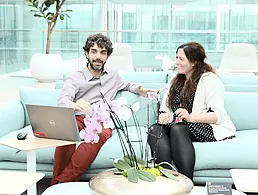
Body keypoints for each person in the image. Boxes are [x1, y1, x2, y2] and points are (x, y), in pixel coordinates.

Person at [52, 33, 152, 185]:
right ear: (86, 53)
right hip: (78, 117)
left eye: (103, 52)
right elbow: (62, 101)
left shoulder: (114, 76)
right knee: (65, 134)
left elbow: (128, 85)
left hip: (101, 120)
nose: (98, 56)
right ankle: (56, 185)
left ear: (107, 56)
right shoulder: (75, 77)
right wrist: (75, 104)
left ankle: (63, 182)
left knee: (96, 137)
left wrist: (140, 90)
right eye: (94, 51)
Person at [147, 42, 236, 181]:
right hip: (179, 124)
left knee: (178, 129)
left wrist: (190, 117)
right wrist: (164, 115)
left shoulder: (210, 80)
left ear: (194, 62)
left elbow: (216, 116)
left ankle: (187, 181)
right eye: (176, 57)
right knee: (155, 130)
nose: (176, 62)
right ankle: (168, 179)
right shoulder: (175, 80)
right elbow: (165, 108)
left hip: (207, 126)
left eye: (181, 59)